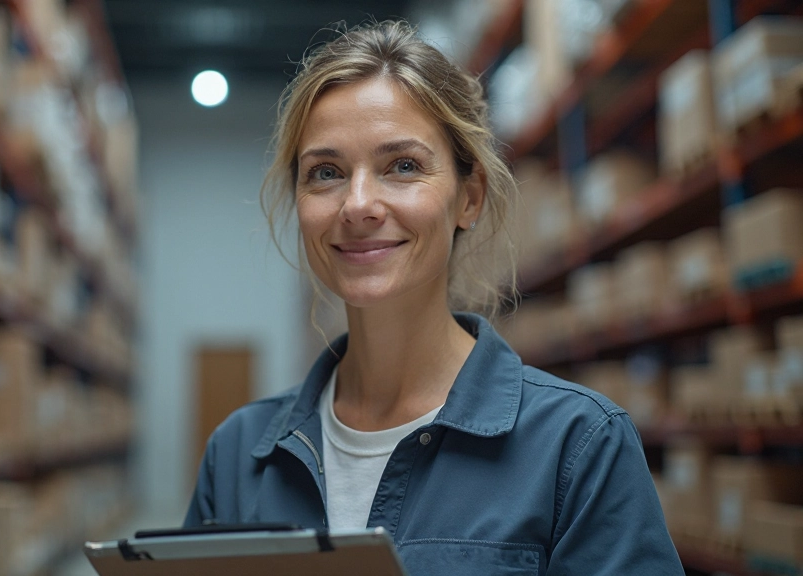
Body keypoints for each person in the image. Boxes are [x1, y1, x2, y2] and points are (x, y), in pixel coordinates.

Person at [185, 20, 684, 575]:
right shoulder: (237, 455)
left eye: (402, 166)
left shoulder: (579, 447)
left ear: (468, 199)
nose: (358, 204)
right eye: (325, 172)